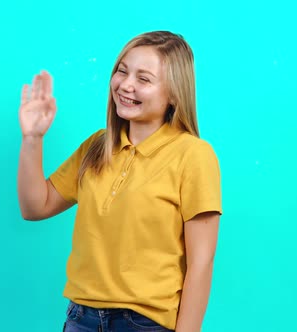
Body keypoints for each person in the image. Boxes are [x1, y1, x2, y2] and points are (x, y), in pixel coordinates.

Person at [17, 31, 222, 332]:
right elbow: (35, 206)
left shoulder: (193, 155)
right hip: (81, 318)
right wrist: (32, 138)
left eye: (144, 79)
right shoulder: (97, 147)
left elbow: (201, 265)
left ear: (175, 93)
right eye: (122, 71)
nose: (126, 85)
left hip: (145, 323)